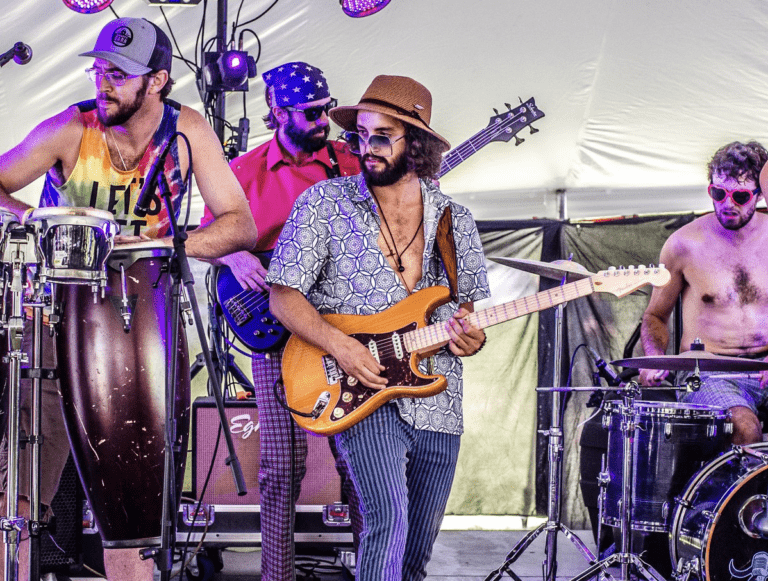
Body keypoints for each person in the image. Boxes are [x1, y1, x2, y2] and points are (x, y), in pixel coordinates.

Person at [0, 16, 257, 581]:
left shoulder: (188, 131)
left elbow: (239, 224)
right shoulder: (71, 126)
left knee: (132, 509)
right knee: (20, 494)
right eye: (98, 70)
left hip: (147, 319)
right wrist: (44, 224)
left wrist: (165, 241)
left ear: (158, 80)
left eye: (118, 73)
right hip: (55, 316)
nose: (103, 83)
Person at [267, 74, 490, 581]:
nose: (365, 148)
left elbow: (468, 319)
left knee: (416, 549)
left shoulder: (457, 219)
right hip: (360, 385)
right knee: (386, 518)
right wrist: (341, 347)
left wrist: (471, 337)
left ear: (417, 144)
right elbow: (283, 295)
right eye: (359, 135)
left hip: (440, 398)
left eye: (381, 136)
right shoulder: (325, 203)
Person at [201, 61, 361, 581]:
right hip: (269, 328)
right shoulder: (244, 170)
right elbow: (205, 238)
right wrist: (233, 258)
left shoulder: (350, 163)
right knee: (281, 466)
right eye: (311, 113)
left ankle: (375, 569)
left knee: (358, 462)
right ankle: (277, 575)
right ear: (277, 112)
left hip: (339, 328)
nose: (323, 121)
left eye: (325, 109)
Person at [640, 140, 768, 445]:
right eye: (717, 193)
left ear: (759, 194)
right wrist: (653, 358)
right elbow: (655, 315)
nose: (727, 203)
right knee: (745, 428)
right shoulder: (684, 244)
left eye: (739, 195)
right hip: (709, 371)